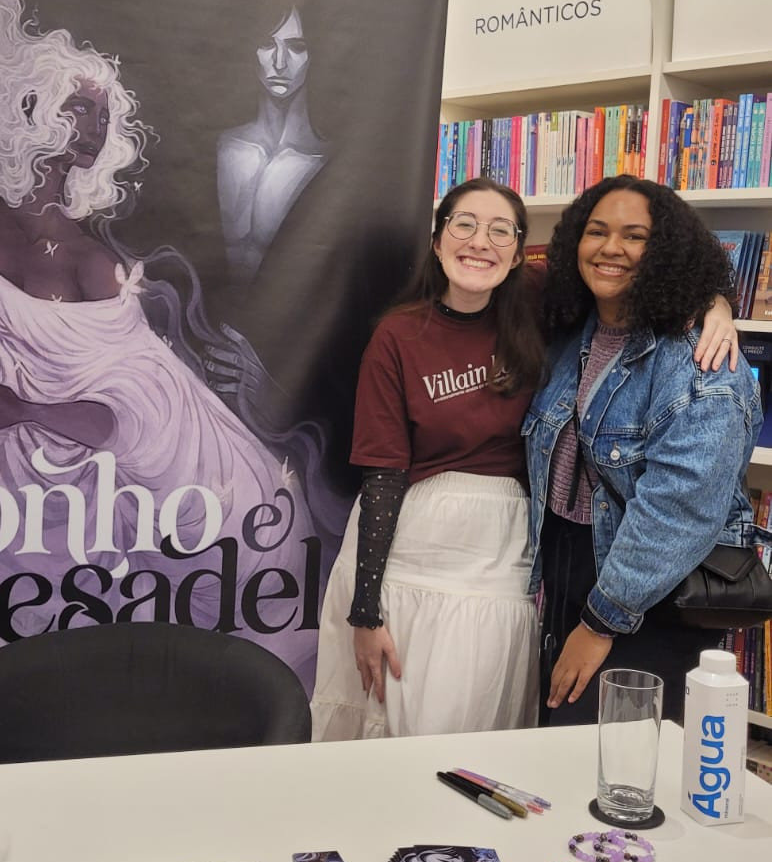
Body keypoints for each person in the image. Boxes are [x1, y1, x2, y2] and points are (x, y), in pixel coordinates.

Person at [0, 0, 321, 688]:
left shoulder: (95, 260)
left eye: (103, 115)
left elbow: (134, 408)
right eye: (79, 109)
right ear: (34, 108)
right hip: (26, 462)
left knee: (210, 581)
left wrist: (19, 408)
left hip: (166, 452)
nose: (93, 129)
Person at [311, 177, 740, 742]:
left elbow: (679, 503)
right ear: (437, 239)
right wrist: (366, 608)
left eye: (500, 230)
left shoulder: (588, 320)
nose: (479, 242)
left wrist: (716, 304)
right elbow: (383, 469)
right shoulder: (428, 332)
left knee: (526, 733)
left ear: (519, 252)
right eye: (463, 224)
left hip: (561, 573)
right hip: (477, 559)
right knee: (430, 727)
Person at [527, 176, 762, 725]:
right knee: (553, 748)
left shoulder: (700, 362)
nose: (612, 248)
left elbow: (677, 511)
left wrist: (601, 622)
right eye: (596, 232)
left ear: (667, 253)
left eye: (636, 236)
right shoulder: (570, 332)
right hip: (566, 571)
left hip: (645, 593)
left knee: (611, 763)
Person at [217, 6, 325, 282]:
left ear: (315, 55)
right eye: (267, 44)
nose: (279, 62)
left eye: (296, 47)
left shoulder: (325, 161)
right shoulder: (221, 147)